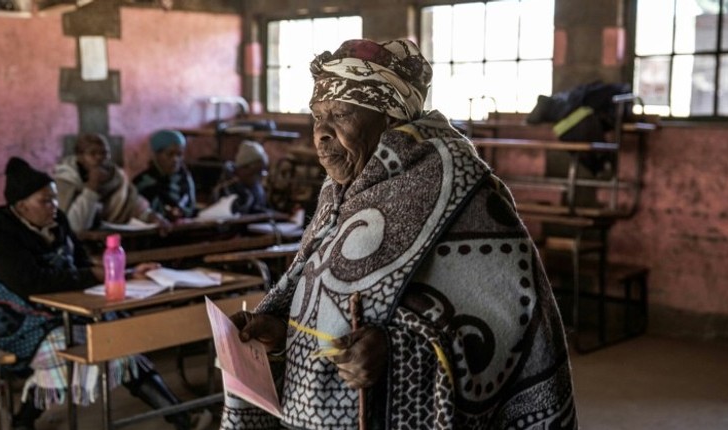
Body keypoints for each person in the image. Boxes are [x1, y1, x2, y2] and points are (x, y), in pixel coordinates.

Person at [223, 39, 577, 429]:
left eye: (340, 114)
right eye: (316, 117)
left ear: (390, 120)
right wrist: (283, 333)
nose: (321, 133)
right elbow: (324, 298)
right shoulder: (341, 189)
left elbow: (515, 324)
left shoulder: (461, 186)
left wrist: (396, 350)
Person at [0, 157, 191, 430]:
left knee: (116, 339)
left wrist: (128, 273)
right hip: (9, 323)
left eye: (54, 199)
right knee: (67, 346)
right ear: (20, 206)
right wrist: (95, 275)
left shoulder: (58, 222)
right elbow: (31, 282)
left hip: (60, 312)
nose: (54, 206)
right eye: (46, 201)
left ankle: (179, 415)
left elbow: (82, 266)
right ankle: (23, 422)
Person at [54, 133, 167, 232]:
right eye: (93, 153)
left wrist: (152, 216)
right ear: (80, 157)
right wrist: (92, 187)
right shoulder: (66, 180)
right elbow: (75, 226)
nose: (99, 158)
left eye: (104, 153)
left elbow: (133, 204)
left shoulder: (117, 177)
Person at [133, 129, 198, 222]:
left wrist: (181, 213)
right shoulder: (142, 182)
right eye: (170, 154)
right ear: (156, 155)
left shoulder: (184, 179)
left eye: (179, 154)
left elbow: (190, 208)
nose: (175, 159)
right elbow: (139, 212)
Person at [211, 140, 270, 215]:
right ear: (242, 169)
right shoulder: (225, 189)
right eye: (255, 173)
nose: (259, 177)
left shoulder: (257, 188)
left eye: (261, 173)